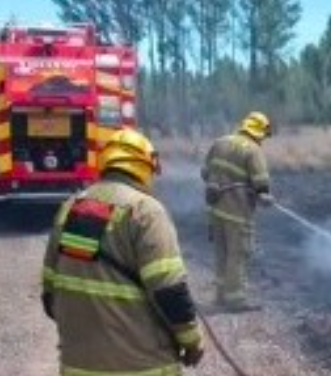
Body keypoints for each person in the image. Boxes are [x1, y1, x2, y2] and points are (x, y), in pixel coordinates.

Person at [41, 127, 204, 376]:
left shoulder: (72, 207)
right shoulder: (146, 211)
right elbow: (168, 289)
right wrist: (192, 341)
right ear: (145, 167)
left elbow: (50, 294)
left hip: (78, 366)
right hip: (142, 367)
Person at [201, 111, 274, 312]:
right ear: (259, 132)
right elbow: (261, 184)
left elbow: (205, 173)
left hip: (216, 211)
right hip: (238, 214)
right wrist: (264, 197)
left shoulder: (220, 142)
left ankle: (220, 296)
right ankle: (236, 300)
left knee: (221, 254)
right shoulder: (253, 150)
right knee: (238, 255)